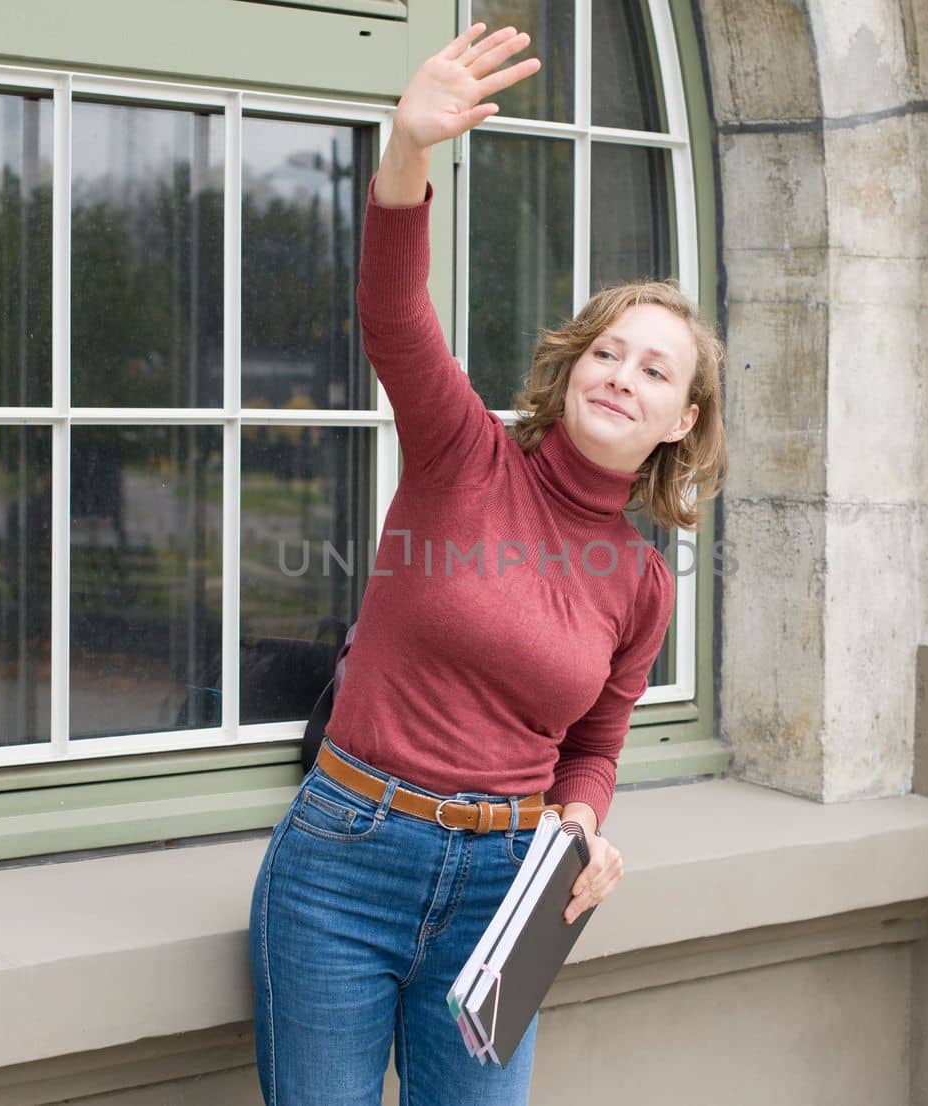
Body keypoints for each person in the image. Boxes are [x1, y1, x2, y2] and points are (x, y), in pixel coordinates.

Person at [248, 23, 727, 1106]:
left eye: (654, 369)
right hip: (344, 864)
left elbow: (594, 744)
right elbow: (394, 315)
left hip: (507, 895)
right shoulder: (464, 457)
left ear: (679, 419)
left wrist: (582, 823)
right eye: (606, 349)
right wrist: (407, 153)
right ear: (571, 369)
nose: (622, 374)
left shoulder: (643, 581)